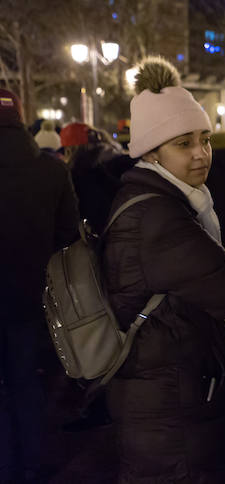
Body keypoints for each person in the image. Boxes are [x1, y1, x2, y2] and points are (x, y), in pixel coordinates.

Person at [102, 56, 225, 483]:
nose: (200, 154)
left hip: (174, 402)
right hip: (173, 416)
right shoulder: (160, 216)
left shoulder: (169, 202)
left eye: (204, 139)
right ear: (151, 152)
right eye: (183, 143)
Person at [0, 89, 79, 484]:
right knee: (27, 378)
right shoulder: (51, 171)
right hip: (31, 297)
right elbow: (70, 237)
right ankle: (34, 459)